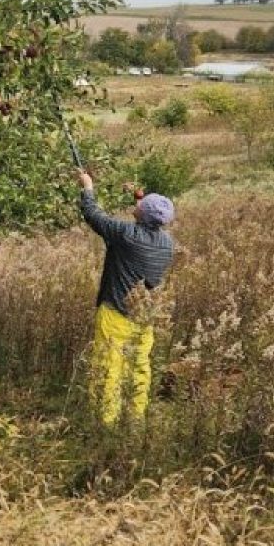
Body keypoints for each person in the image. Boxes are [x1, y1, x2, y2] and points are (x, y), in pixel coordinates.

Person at [76, 170, 176, 429]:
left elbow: (93, 216)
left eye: (141, 205)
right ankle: (134, 421)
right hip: (144, 319)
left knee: (109, 368)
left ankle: (105, 425)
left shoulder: (125, 234)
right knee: (139, 369)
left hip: (116, 314)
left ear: (142, 215)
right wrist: (137, 194)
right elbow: (147, 215)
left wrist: (87, 187)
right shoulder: (166, 244)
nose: (138, 204)